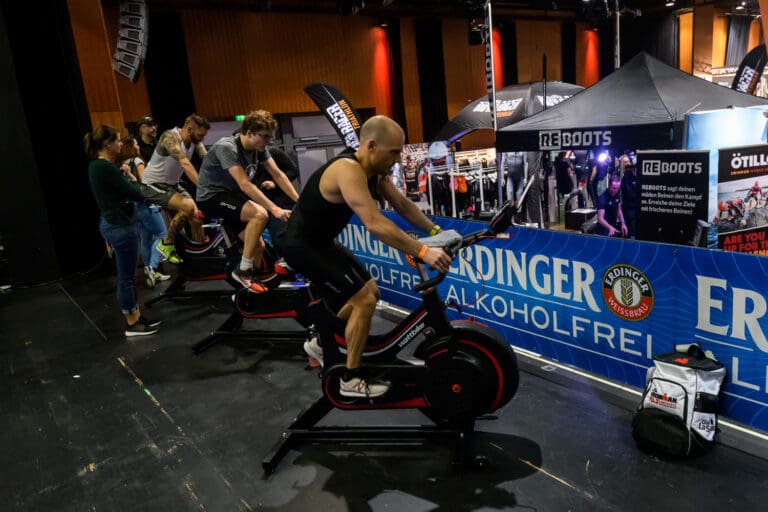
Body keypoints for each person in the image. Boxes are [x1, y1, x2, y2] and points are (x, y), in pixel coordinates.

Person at [281, 115, 452, 398]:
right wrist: (422, 250)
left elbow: (402, 204)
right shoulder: (348, 169)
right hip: (301, 247)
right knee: (363, 300)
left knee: (370, 291)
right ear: (372, 145)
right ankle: (349, 379)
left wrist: (437, 231)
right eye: (394, 152)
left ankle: (322, 344)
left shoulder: (374, 172)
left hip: (321, 242)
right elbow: (374, 223)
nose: (398, 159)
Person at [196, 110, 296, 291]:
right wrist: (275, 209)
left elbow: (278, 175)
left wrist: (299, 202)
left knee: (258, 244)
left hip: (231, 197)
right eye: (265, 137)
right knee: (259, 214)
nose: (269, 141)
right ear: (249, 132)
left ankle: (250, 286)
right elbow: (245, 185)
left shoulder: (260, 149)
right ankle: (243, 272)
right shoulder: (227, 147)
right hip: (211, 196)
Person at [85, 125, 160, 337]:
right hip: (119, 226)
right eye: (118, 140)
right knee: (126, 277)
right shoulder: (104, 167)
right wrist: (132, 180)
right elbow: (133, 193)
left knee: (128, 275)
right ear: (107, 144)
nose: (121, 144)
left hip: (116, 224)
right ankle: (131, 323)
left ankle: (135, 315)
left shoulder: (99, 166)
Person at [140, 113, 210, 263]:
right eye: (200, 135)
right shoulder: (170, 137)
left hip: (172, 184)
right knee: (187, 207)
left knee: (197, 218)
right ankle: (166, 244)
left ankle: (201, 257)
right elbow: (184, 163)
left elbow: (206, 158)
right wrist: (204, 187)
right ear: (190, 129)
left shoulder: (195, 140)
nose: (202, 139)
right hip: (152, 185)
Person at [118, 136, 172, 287]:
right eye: (135, 143)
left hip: (133, 207)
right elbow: (144, 183)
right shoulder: (136, 161)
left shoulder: (122, 164)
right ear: (132, 146)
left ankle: (151, 273)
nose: (138, 145)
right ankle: (152, 267)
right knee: (163, 234)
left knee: (146, 240)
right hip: (145, 204)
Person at [252, 145, 299, 257]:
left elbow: (293, 171)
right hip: (260, 205)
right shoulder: (243, 160)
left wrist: (274, 183)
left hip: (281, 203)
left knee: (280, 239)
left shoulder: (273, 152)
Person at [620, 163, 639, 239]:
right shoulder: (627, 177)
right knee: (631, 229)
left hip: (638, 208)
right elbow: (628, 193)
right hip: (629, 208)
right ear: (634, 168)